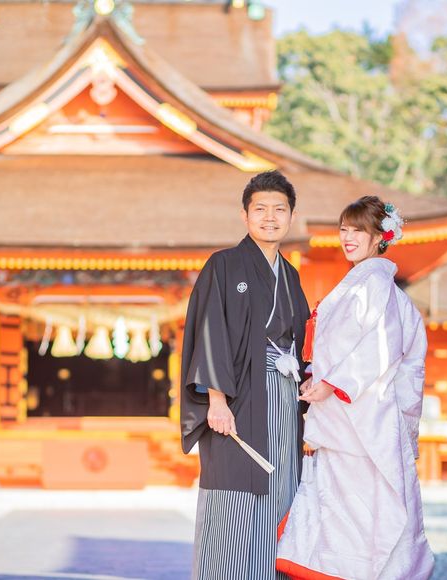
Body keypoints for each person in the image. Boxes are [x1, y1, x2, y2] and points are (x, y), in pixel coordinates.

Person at [277, 196, 434, 580]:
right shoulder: (361, 283)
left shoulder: (374, 284)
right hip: (350, 413)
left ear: (380, 237)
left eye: (358, 231)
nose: (347, 237)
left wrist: (333, 383)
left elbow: (380, 348)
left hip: (364, 417)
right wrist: (319, 377)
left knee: (362, 510)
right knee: (351, 508)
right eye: (344, 229)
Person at [180, 170, 310, 580]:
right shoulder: (223, 265)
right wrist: (216, 400)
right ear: (245, 215)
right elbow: (210, 331)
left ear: (291, 216)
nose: (270, 217)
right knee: (233, 491)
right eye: (261, 209)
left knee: (282, 484)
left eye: (279, 209)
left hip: (284, 397)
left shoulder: (290, 275)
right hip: (237, 399)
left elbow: (303, 340)